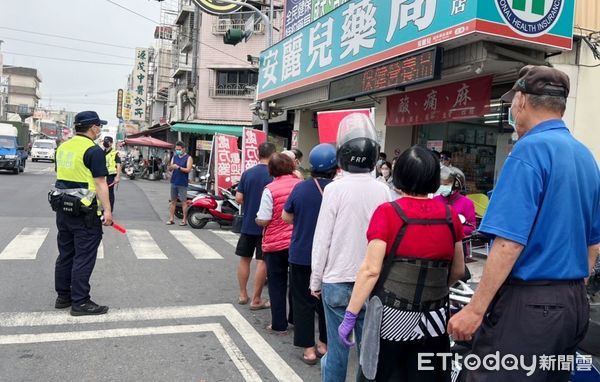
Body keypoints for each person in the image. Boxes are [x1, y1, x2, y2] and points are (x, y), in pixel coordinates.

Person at [448, 65, 600, 382]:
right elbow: (593, 245)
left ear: (521, 100)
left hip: (531, 305)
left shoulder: (529, 150)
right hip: (572, 305)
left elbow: (509, 243)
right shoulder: (585, 157)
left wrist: (475, 310)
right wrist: (565, 294)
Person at [339, 145, 465, 381]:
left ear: (399, 176)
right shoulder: (450, 217)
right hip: (435, 316)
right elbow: (458, 270)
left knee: (384, 374)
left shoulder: (388, 213)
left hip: (392, 313)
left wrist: (350, 316)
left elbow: (370, 270)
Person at [310, 113, 391, 382]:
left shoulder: (335, 189)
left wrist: (315, 280)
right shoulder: (383, 191)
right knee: (367, 351)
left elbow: (323, 239)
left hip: (336, 281)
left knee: (337, 350)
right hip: (369, 282)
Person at [51, 111, 113, 316]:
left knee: (66, 253)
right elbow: (100, 182)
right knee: (84, 256)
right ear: (93, 127)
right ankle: (80, 302)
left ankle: (63, 296)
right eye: (99, 127)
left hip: (63, 209)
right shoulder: (93, 151)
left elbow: (60, 174)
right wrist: (108, 210)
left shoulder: (62, 147)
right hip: (85, 212)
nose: (100, 130)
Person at [282, 144, 337, 365]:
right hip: (330, 257)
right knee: (325, 301)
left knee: (302, 301)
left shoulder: (301, 188)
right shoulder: (337, 190)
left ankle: (308, 350)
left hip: (302, 253)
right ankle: (325, 343)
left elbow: (286, 217)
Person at [256, 153, 302, 334]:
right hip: (297, 241)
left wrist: (258, 221)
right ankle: (296, 318)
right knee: (297, 283)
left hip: (275, 244)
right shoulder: (300, 185)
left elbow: (264, 219)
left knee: (277, 283)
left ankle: (279, 324)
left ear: (272, 170)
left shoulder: (270, 189)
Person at [235, 142, 275, 309]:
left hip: (248, 223)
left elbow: (238, 198)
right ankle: (256, 299)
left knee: (244, 259)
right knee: (261, 261)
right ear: (273, 155)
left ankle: (243, 294)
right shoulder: (274, 175)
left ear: (258, 154)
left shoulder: (247, 174)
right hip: (267, 226)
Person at [434, 166, 476, 236]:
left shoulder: (467, 203)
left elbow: (472, 227)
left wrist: (453, 230)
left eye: (446, 184)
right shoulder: (435, 200)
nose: (442, 187)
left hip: (458, 243)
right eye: (441, 184)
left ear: (457, 185)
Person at [167, 141, 193, 226]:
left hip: (183, 183)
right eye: (176, 149)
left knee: (183, 202)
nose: (177, 151)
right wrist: (172, 167)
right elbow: (170, 168)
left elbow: (188, 169)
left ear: (183, 149)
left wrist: (178, 167)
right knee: (173, 201)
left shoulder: (188, 158)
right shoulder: (174, 157)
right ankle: (171, 219)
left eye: (179, 149)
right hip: (174, 181)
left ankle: (184, 220)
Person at [102, 136, 121, 212]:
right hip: (102, 176)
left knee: (109, 194)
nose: (106, 143)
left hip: (110, 177)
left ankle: (109, 210)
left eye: (108, 141)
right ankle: (102, 209)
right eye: (105, 141)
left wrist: (117, 176)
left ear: (111, 143)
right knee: (102, 193)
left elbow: (119, 165)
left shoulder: (115, 153)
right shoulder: (101, 152)